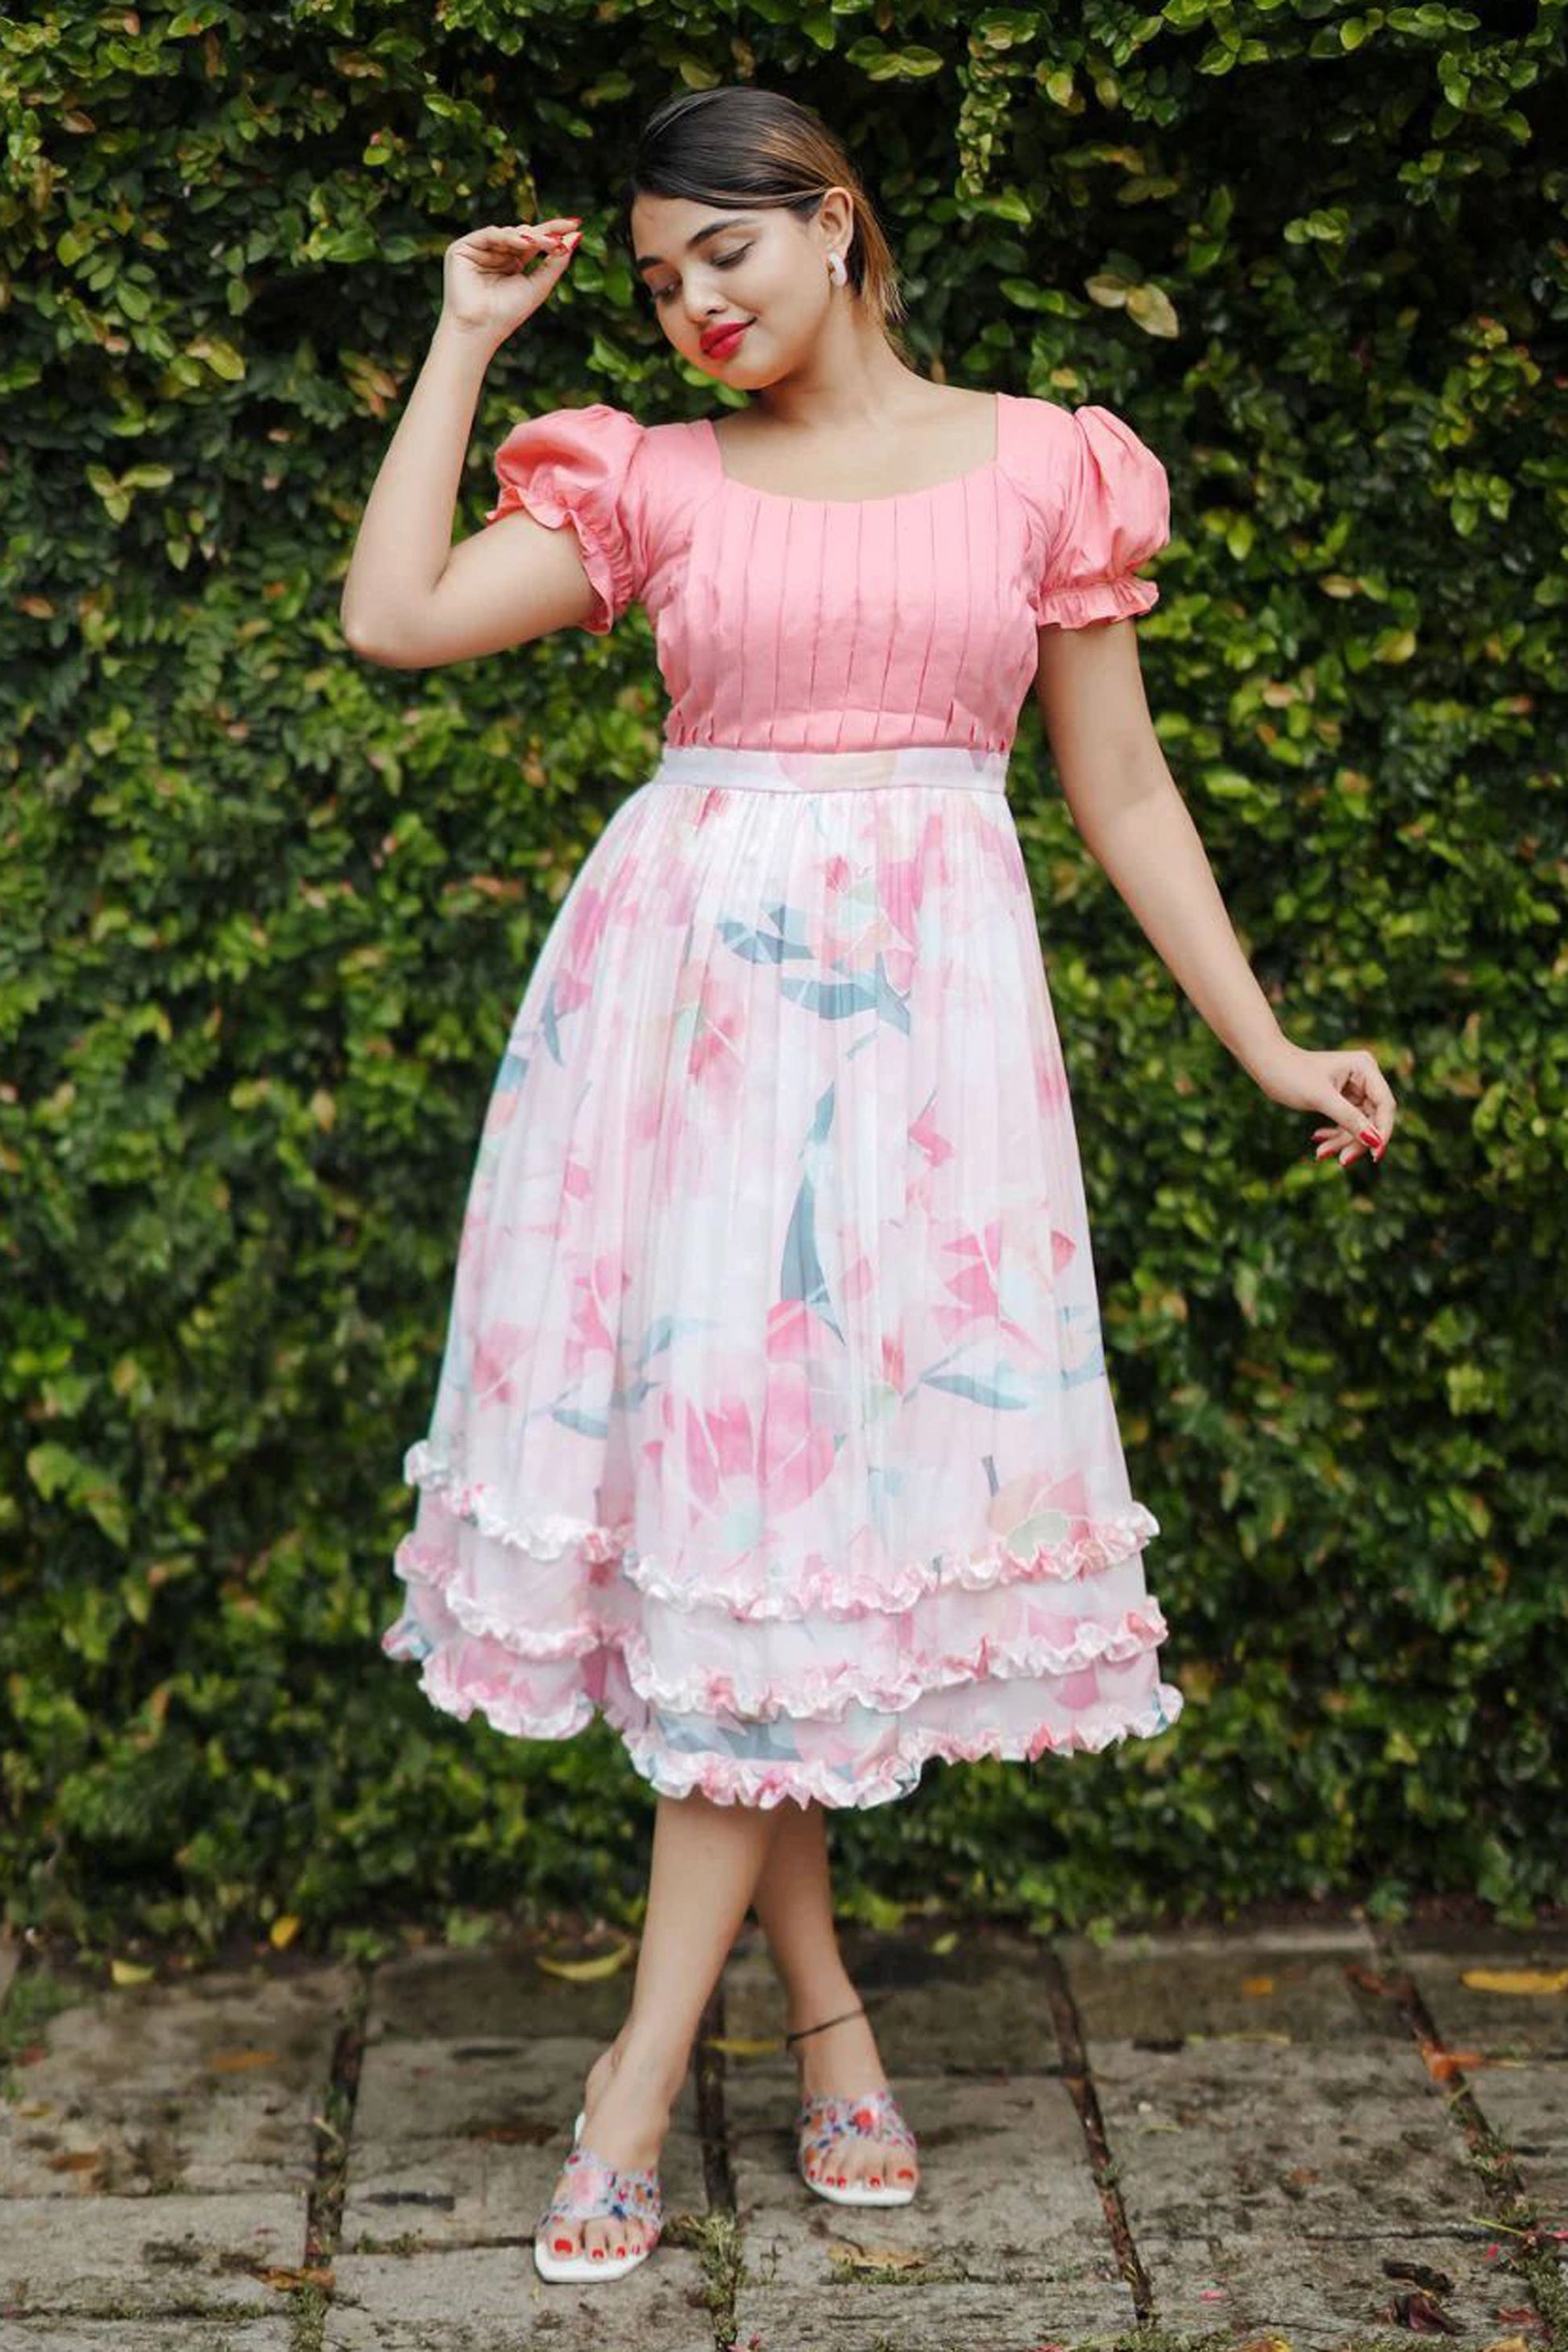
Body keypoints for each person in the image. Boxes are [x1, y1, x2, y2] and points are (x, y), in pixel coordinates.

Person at [341, 84, 1398, 2290]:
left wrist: (1266, 1041)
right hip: (684, 1054)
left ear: (836, 223)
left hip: (918, 1081)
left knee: (790, 1558)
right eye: (655, 281)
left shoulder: (1043, 467)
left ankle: (781, 2034)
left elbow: (1122, 790)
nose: (689, 307)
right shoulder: (652, 479)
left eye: (722, 255)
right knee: (760, 1547)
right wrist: (464, 339)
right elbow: (399, 617)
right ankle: (678, 2070)